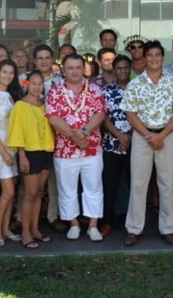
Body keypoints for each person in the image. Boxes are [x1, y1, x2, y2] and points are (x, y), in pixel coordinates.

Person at [121, 40, 173, 246]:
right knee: (138, 184)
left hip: (167, 136)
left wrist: (161, 135)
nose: (154, 58)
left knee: (167, 183)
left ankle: (167, 228)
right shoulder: (135, 84)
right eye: (150, 55)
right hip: (143, 137)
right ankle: (134, 228)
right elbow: (130, 114)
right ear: (145, 58)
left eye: (157, 54)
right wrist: (149, 136)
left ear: (163, 58)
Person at [45, 53, 107, 241]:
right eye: (70, 68)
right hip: (65, 151)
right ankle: (74, 224)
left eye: (78, 68)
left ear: (84, 69)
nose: (74, 71)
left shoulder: (95, 89)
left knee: (93, 188)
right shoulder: (55, 92)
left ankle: (93, 226)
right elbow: (53, 118)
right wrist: (75, 137)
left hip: (92, 149)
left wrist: (85, 132)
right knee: (67, 190)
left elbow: (100, 113)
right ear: (64, 70)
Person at [6, 70, 55, 248]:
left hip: (45, 150)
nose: (37, 87)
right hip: (29, 153)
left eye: (40, 83)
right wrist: (22, 155)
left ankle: (35, 229)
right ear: (27, 84)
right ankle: (25, 232)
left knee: (40, 192)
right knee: (30, 193)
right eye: (33, 83)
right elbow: (17, 130)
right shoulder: (20, 105)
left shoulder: (45, 105)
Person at [0, 60, 22, 246]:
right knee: (7, 192)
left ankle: (6, 228)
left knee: (12, 192)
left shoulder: (11, 95)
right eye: (4, 72)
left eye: (11, 72)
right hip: (1, 149)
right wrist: (2, 151)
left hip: (13, 148)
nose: (8, 75)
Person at [32, 44, 65, 232]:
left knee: (54, 179)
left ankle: (54, 216)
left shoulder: (62, 80)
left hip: (57, 135)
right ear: (35, 61)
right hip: (32, 137)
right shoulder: (24, 80)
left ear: (52, 59)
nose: (44, 61)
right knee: (30, 181)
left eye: (47, 58)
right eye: (40, 58)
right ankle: (21, 217)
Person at [99, 55, 133, 237]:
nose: (123, 71)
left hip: (134, 144)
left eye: (126, 67)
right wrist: (120, 136)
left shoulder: (138, 88)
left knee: (134, 184)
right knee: (109, 185)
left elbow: (143, 115)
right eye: (119, 68)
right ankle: (108, 221)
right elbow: (103, 117)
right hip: (111, 145)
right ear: (114, 70)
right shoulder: (106, 91)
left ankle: (133, 222)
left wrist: (129, 137)